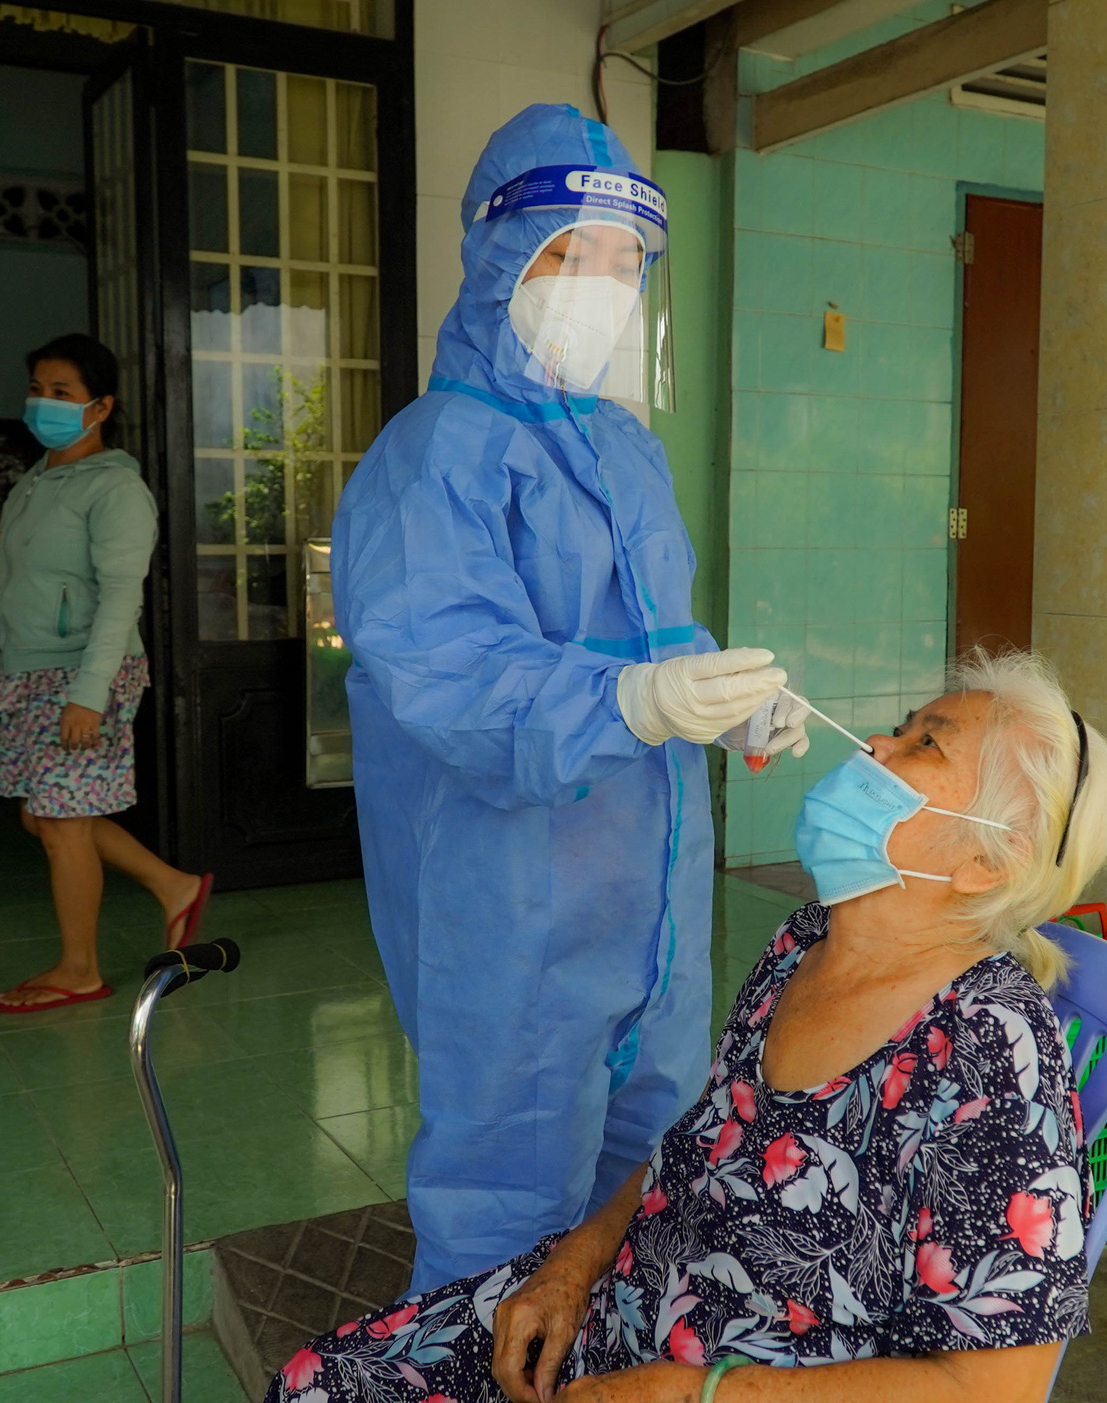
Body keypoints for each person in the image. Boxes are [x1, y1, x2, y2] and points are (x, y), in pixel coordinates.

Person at [267, 649, 1107, 1403]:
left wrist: (696, 1392)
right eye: (899, 728)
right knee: (314, 1384)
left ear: (989, 860)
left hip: (723, 1385)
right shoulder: (805, 943)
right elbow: (702, 1144)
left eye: (923, 745)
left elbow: (992, 1388)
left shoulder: (988, 1052)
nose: (875, 748)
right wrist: (570, 1267)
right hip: (615, 1326)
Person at [332, 104, 804, 1293]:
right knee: (508, 1176)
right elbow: (450, 675)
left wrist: (726, 697)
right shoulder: (431, 455)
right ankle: (473, 1351)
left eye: (621, 262)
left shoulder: (624, 449)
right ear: (499, 257)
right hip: (512, 889)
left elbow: (652, 633)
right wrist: (637, 702)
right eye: (566, 256)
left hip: (647, 892)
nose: (599, 286)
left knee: (650, 1161)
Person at [0, 333, 212, 1012]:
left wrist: (88, 696)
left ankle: (79, 969)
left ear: (101, 406)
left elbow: (123, 597)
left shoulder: (116, 488)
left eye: (62, 392)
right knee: (46, 816)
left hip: (87, 673)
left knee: (62, 822)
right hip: (30, 672)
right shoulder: (34, 483)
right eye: (37, 388)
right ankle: (175, 886)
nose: (43, 402)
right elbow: (7, 588)